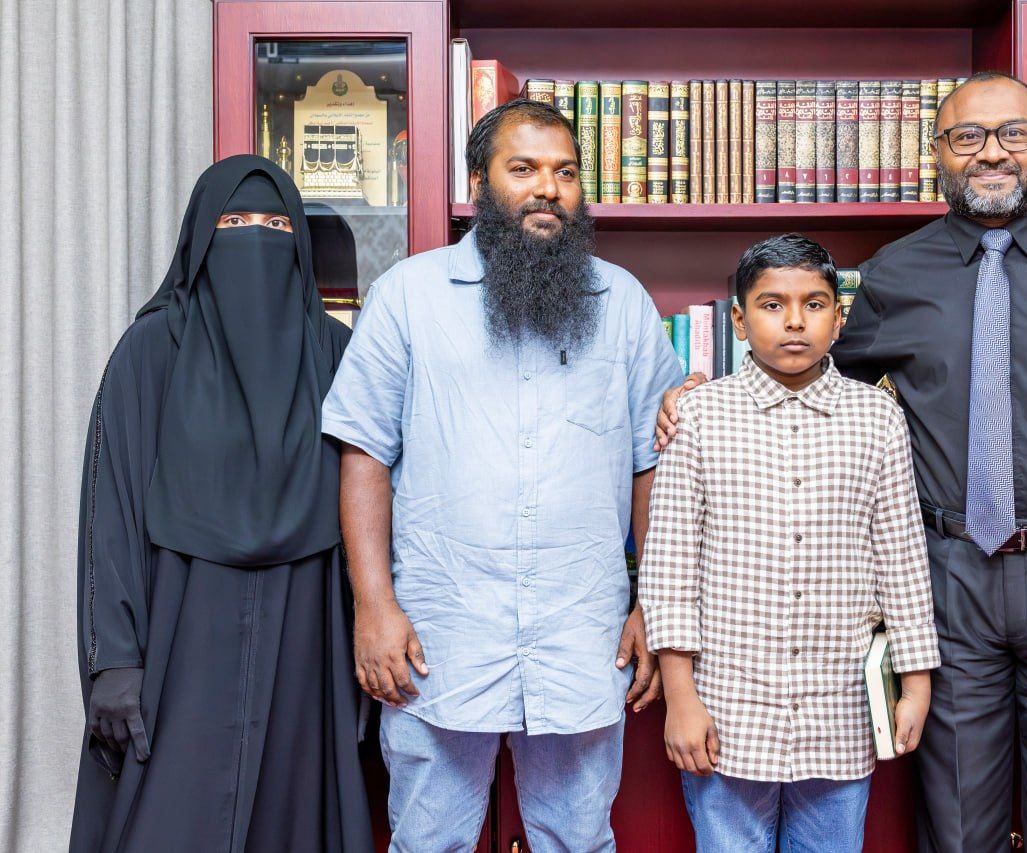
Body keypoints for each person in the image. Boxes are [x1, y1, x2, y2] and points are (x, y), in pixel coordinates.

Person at [655, 72, 1027, 852]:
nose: (992, 153)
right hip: (947, 576)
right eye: (968, 136)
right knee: (955, 822)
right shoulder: (894, 273)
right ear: (938, 151)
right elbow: (816, 384)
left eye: (1013, 133)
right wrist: (700, 394)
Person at [321, 99, 684, 851]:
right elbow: (364, 455)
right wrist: (374, 606)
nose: (548, 188)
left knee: (578, 841)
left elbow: (653, 464)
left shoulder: (623, 303)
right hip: (440, 636)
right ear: (480, 183)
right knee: (428, 841)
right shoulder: (408, 296)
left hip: (582, 635)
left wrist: (655, 604)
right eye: (524, 169)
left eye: (566, 172)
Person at [70, 155, 372, 852]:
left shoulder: (335, 353)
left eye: (275, 225)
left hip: (306, 626)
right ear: (200, 240)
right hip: (179, 623)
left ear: (300, 245)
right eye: (233, 223)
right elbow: (110, 510)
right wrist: (114, 657)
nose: (255, 239)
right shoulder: (151, 351)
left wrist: (363, 645)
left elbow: (370, 500)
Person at [640, 235, 940, 852]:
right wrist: (681, 699)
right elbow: (670, 568)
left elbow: (903, 558)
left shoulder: (877, 417)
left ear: (839, 317)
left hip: (840, 712)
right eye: (773, 304)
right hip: (727, 710)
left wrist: (915, 686)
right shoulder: (699, 416)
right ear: (739, 320)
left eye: (815, 304)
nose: (795, 321)